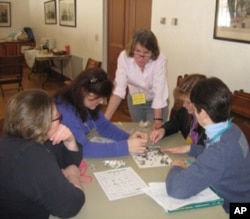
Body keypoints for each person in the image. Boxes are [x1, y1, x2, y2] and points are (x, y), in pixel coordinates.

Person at [164, 77, 250, 213]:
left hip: (233, 209)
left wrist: (176, 167)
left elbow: (177, 189)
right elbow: (219, 155)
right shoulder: (232, 128)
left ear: (202, 113)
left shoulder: (219, 152)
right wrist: (192, 148)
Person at [0, 90, 85, 219]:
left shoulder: (21, 138)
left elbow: (68, 161)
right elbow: (71, 206)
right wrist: (73, 175)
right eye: (58, 117)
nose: (60, 122)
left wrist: (70, 141)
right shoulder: (32, 157)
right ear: (44, 124)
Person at [54, 67, 148, 158]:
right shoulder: (64, 110)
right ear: (83, 91)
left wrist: (128, 138)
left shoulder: (85, 101)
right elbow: (82, 148)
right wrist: (126, 146)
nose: (102, 102)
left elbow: (104, 126)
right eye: (98, 97)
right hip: (61, 157)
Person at [104, 29, 169, 129]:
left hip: (155, 102)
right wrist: (105, 120)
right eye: (137, 51)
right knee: (138, 130)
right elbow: (118, 90)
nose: (141, 58)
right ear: (132, 49)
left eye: (146, 53)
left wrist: (158, 120)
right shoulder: (124, 57)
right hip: (136, 100)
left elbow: (159, 93)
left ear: (153, 52)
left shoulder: (159, 59)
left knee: (153, 133)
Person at [150, 74, 207, 147]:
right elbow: (176, 122)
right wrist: (163, 130)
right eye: (183, 101)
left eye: (188, 102)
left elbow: (205, 150)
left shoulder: (209, 123)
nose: (184, 105)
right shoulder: (186, 111)